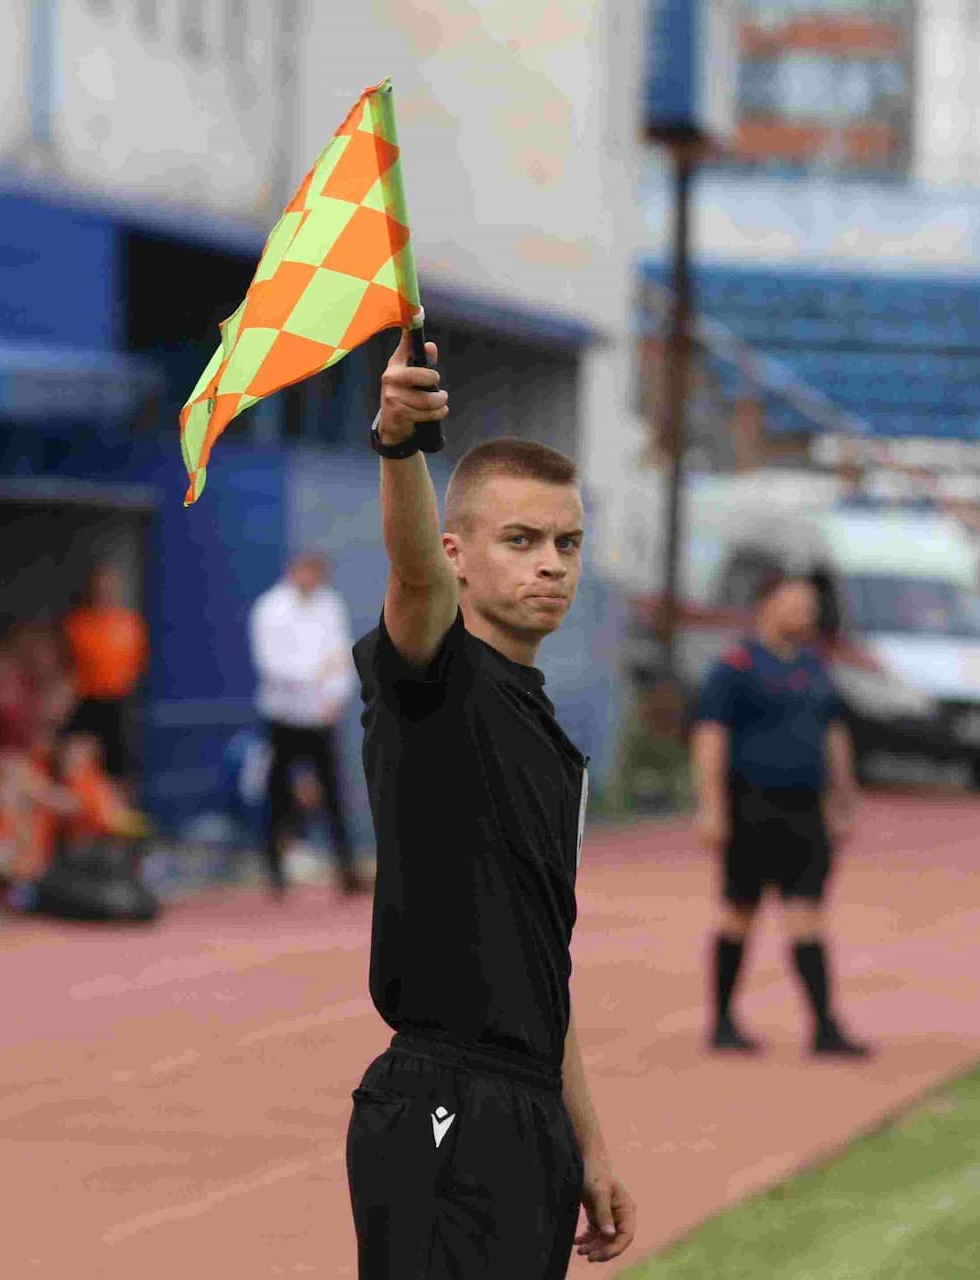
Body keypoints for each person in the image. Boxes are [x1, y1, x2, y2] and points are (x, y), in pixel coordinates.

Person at [344, 333, 635, 1277]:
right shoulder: (435, 684)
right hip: (442, 1096)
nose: (551, 564)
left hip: (527, 1113)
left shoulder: (554, 742)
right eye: (521, 540)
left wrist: (586, 1140)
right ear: (459, 553)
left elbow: (544, 965)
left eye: (567, 543)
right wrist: (400, 447)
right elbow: (412, 580)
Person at [691, 574, 868, 1058]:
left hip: (805, 809)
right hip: (751, 805)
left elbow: (833, 734)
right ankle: (723, 1021)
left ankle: (825, 1028)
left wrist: (844, 798)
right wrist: (711, 807)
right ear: (765, 606)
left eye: (809, 606)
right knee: (738, 913)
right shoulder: (736, 667)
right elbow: (711, 739)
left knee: (808, 913)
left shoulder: (816, 667)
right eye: (794, 604)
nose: (804, 614)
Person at [248, 550, 363, 896]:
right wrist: (317, 673)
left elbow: (342, 655)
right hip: (283, 717)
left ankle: (346, 868)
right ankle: (275, 871)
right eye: (306, 571)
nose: (311, 579)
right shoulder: (270, 608)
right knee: (279, 795)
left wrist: (336, 695)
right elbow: (272, 664)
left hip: (321, 718)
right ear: (293, 571)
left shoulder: (330, 605)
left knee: (334, 794)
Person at [64, 562, 147, 782]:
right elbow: (66, 667)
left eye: (110, 585)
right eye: (100, 585)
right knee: (82, 761)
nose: (105, 590)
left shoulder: (131, 625)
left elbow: (138, 665)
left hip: (120, 704)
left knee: (120, 765)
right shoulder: (76, 626)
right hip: (86, 702)